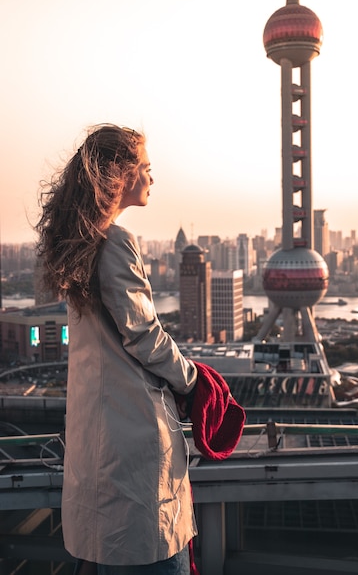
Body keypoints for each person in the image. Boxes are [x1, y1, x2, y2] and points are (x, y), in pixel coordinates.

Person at [35, 124, 198, 574]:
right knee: (155, 547)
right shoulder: (116, 242)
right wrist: (194, 379)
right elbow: (144, 335)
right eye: (145, 167)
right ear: (121, 175)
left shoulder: (80, 244)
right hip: (135, 437)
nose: (151, 177)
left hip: (96, 435)